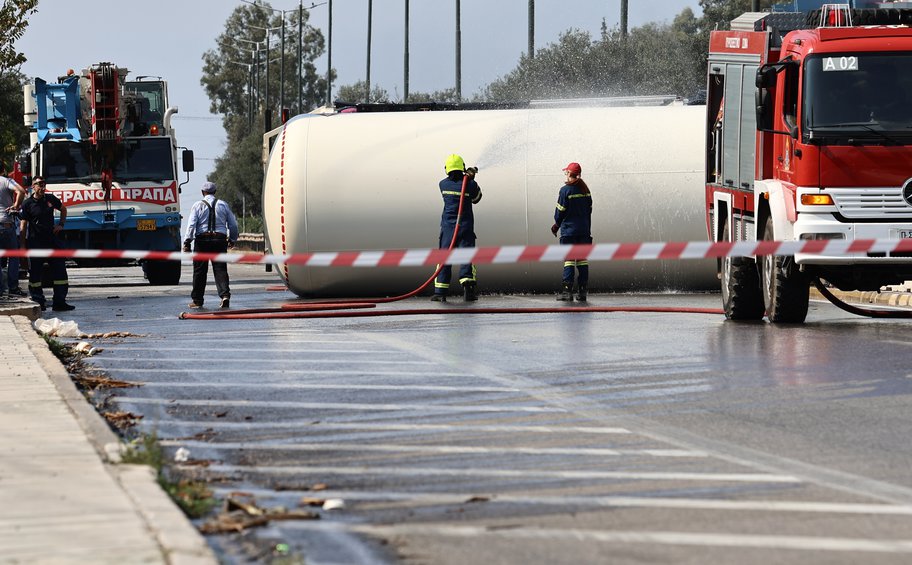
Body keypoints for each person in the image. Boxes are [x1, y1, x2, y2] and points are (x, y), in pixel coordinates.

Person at [18, 175, 74, 311]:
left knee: (60, 271)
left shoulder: (50, 199)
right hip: (36, 243)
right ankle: (39, 302)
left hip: (52, 242)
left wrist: (61, 224)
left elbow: (63, 209)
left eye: (43, 184)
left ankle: (59, 302)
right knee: (36, 274)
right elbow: (23, 226)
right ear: (33, 187)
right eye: (39, 184)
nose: (42, 187)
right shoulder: (27, 204)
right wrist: (22, 246)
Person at [433, 154, 482, 302]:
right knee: (467, 257)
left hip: (448, 229)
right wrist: (472, 180)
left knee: (444, 258)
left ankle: (440, 293)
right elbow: (477, 198)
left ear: (447, 169)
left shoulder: (443, 184)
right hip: (465, 227)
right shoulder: (470, 185)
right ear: (462, 167)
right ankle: (469, 291)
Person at [183, 181, 238, 309]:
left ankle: (197, 300)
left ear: (203, 192)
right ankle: (225, 296)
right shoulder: (223, 205)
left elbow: (191, 225)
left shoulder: (197, 205)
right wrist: (232, 239)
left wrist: (187, 242)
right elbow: (233, 224)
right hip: (219, 239)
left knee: (199, 271)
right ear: (215, 192)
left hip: (202, 240)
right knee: (220, 269)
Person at [551, 162, 592, 302]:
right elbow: (589, 210)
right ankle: (582, 292)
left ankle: (567, 293)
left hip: (569, 232)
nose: (565, 175)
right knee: (582, 261)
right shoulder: (585, 190)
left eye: (566, 173)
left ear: (569, 174)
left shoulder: (565, 191)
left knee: (569, 261)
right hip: (584, 231)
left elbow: (560, 212)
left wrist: (556, 225)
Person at [0, 161, 26, 300]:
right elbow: (21, 191)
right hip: (6, 224)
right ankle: (13, 287)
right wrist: (16, 206)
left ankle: (0, 289)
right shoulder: (6, 181)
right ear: (3, 169)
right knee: (14, 257)